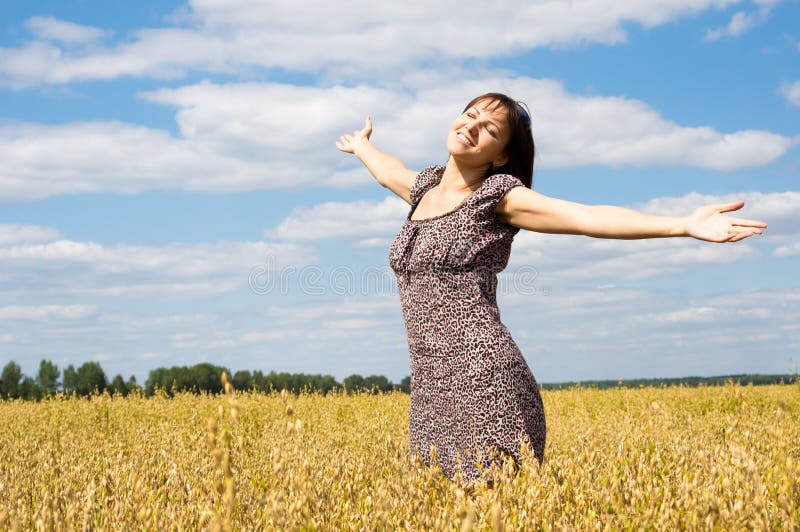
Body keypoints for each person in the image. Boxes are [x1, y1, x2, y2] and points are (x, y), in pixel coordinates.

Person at [335, 92, 767, 484]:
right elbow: (388, 171)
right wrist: (363, 146)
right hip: (430, 382)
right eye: (470, 115)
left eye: (489, 128)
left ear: (502, 155)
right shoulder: (424, 189)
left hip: (481, 375)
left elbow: (585, 217)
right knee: (437, 507)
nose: (472, 126)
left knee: (492, 505)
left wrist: (681, 224)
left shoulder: (497, 196)